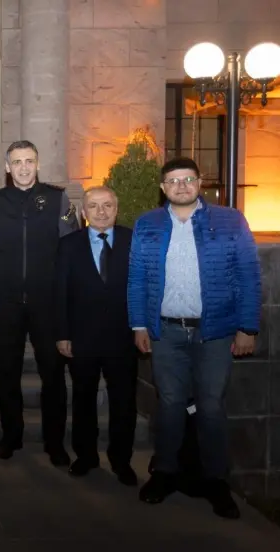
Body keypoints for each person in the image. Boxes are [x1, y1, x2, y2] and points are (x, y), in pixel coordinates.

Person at [129, 157, 260, 519]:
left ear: (200, 183)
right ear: (163, 188)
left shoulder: (230, 220)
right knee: (170, 404)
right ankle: (165, 472)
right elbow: (137, 278)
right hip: (166, 331)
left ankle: (216, 481)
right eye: (173, 181)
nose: (181, 186)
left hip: (215, 331)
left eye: (188, 179)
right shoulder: (148, 224)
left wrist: (248, 327)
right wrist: (139, 325)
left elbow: (249, 274)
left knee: (211, 406)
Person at [0, 140, 79, 466]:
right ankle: (11, 436)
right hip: (6, 301)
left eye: (29, 161)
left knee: (52, 374)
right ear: (7, 167)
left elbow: (70, 249)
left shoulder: (57, 198)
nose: (23, 167)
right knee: (7, 373)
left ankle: (55, 443)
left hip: (47, 302)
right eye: (17, 162)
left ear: (37, 164)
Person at [54, 186, 137, 486]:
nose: (101, 212)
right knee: (83, 399)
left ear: (116, 208)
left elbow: (144, 286)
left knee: (124, 402)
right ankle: (86, 456)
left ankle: (121, 460)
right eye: (94, 206)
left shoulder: (132, 240)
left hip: (123, 336)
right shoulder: (68, 245)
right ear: (84, 212)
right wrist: (62, 334)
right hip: (82, 337)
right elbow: (60, 292)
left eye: (107, 205)